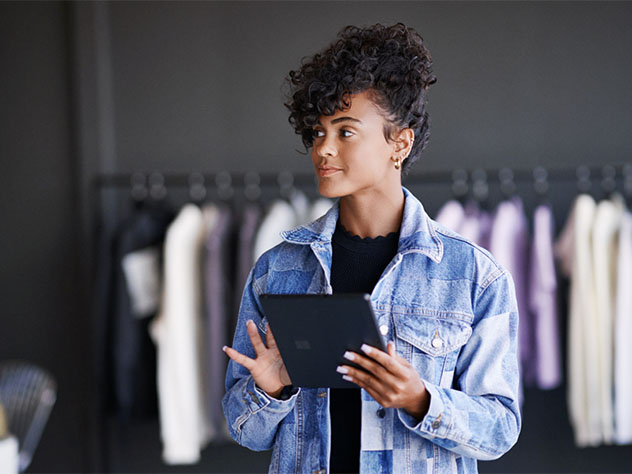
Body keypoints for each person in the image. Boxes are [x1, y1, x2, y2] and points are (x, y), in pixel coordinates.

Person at [221, 23, 521, 474]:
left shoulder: (474, 275)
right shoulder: (277, 269)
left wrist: (421, 400)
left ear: (399, 142)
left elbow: (501, 429)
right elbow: (245, 432)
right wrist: (272, 389)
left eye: (345, 132)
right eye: (318, 133)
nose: (323, 149)